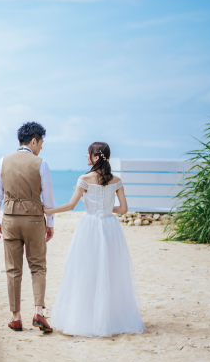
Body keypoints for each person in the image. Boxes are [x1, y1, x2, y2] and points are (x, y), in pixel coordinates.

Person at [43, 142, 146, 337]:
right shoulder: (116, 180)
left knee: (86, 271)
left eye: (88, 153)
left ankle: (86, 318)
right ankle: (110, 318)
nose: (85, 155)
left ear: (96, 157)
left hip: (89, 227)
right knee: (109, 272)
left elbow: (71, 205)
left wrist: (48, 210)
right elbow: (123, 209)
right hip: (109, 227)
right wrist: (106, 209)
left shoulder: (85, 179)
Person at [0, 122, 56, 333]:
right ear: (33, 141)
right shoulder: (40, 163)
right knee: (37, 266)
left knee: (13, 269)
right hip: (34, 220)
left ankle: (16, 317)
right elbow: (49, 199)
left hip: (9, 219)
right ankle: (38, 312)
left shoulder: (3, 161)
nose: (41, 147)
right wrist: (50, 224)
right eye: (41, 142)